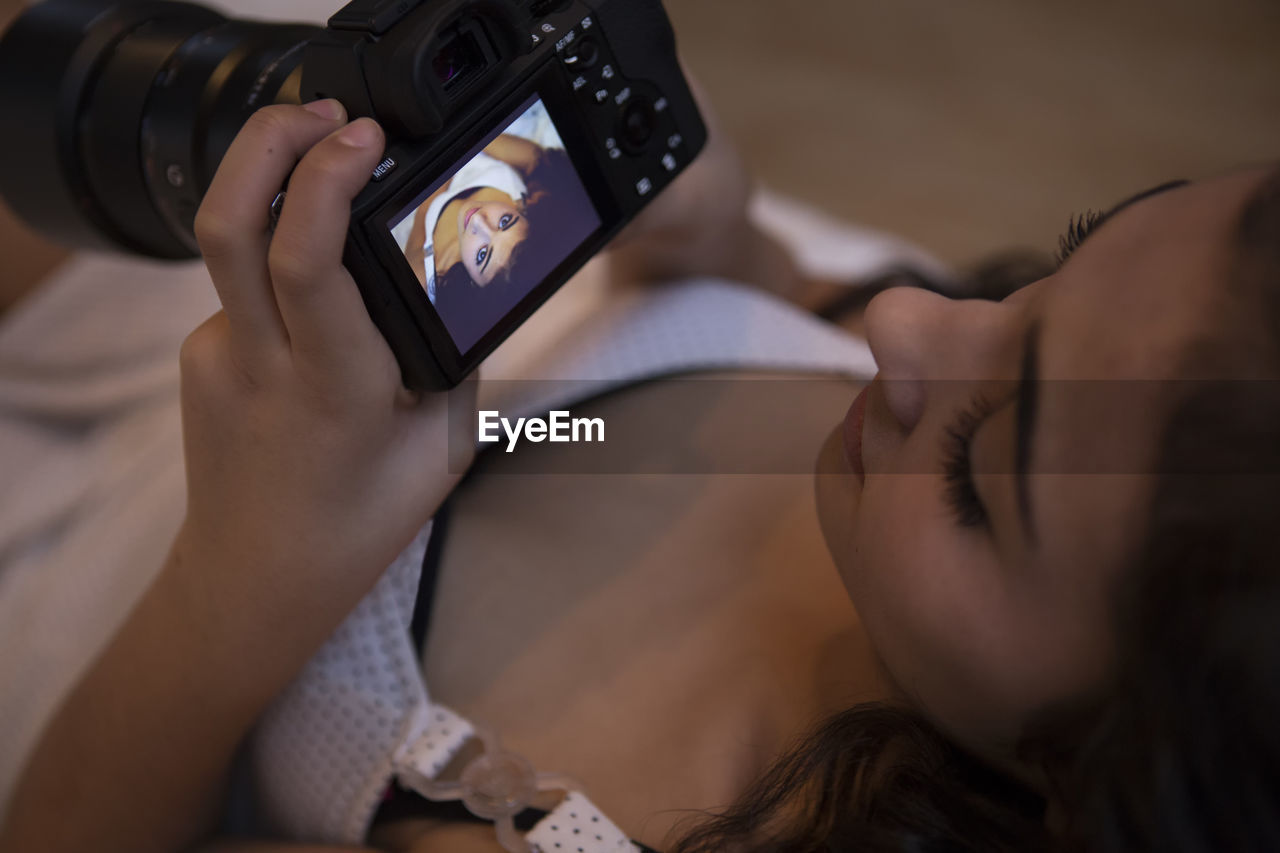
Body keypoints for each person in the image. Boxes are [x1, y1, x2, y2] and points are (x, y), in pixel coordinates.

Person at [0, 90, 1277, 853]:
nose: (905, 320)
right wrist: (710, 246)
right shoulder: (993, 410)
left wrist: (246, 581)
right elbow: (609, 410)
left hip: (93, 619)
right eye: (1065, 260)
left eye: (978, 470)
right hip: (293, 370)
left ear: (1103, 795)